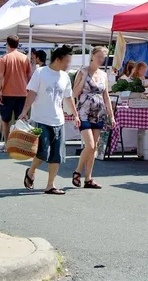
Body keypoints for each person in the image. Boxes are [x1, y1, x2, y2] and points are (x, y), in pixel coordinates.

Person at [20, 45, 80, 195]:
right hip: (41, 119)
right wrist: (24, 112)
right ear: (58, 59)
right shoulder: (40, 72)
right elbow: (31, 93)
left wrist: (75, 114)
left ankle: (50, 185)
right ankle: (31, 171)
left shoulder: (65, 77)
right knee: (42, 152)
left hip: (58, 119)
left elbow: (68, 97)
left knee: (57, 155)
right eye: (66, 61)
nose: (68, 65)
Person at [71, 46, 115, 189]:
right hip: (84, 112)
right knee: (89, 145)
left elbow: (106, 96)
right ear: (92, 56)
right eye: (99, 57)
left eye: (103, 57)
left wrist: (111, 116)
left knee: (94, 146)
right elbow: (75, 93)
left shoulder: (103, 74)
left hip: (99, 113)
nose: (101, 60)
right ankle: (77, 171)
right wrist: (83, 78)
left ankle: (88, 178)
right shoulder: (83, 71)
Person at [0, 35, 32, 151]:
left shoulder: (4, 58)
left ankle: (7, 144)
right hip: (22, 92)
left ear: (7, 44)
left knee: (5, 120)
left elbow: (0, 77)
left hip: (7, 92)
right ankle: (21, 144)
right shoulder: (25, 58)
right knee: (21, 119)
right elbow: (29, 75)